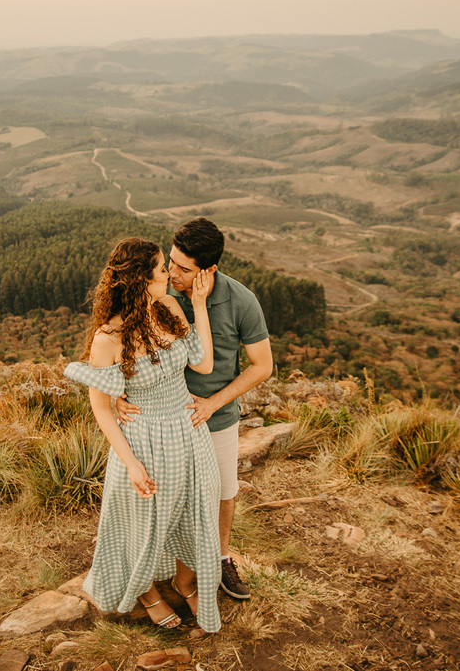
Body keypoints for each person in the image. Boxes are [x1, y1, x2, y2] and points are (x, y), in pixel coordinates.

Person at [63, 237, 222, 633]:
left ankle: (185, 583)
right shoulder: (108, 338)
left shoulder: (168, 308)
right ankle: (146, 592)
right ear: (140, 279)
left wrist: (199, 305)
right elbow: (101, 407)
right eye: (162, 270)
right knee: (143, 521)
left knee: (196, 510)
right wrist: (132, 465)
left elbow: (202, 365)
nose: (169, 274)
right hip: (144, 440)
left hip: (188, 431)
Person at [117, 218, 273, 601]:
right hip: (156, 420)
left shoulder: (240, 300)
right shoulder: (158, 292)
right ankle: (158, 569)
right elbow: (120, 343)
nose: (172, 273)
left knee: (221, 492)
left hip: (214, 417)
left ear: (209, 270)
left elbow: (263, 365)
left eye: (183, 269)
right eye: (170, 262)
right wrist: (115, 395)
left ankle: (220, 559)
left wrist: (213, 403)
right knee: (160, 494)